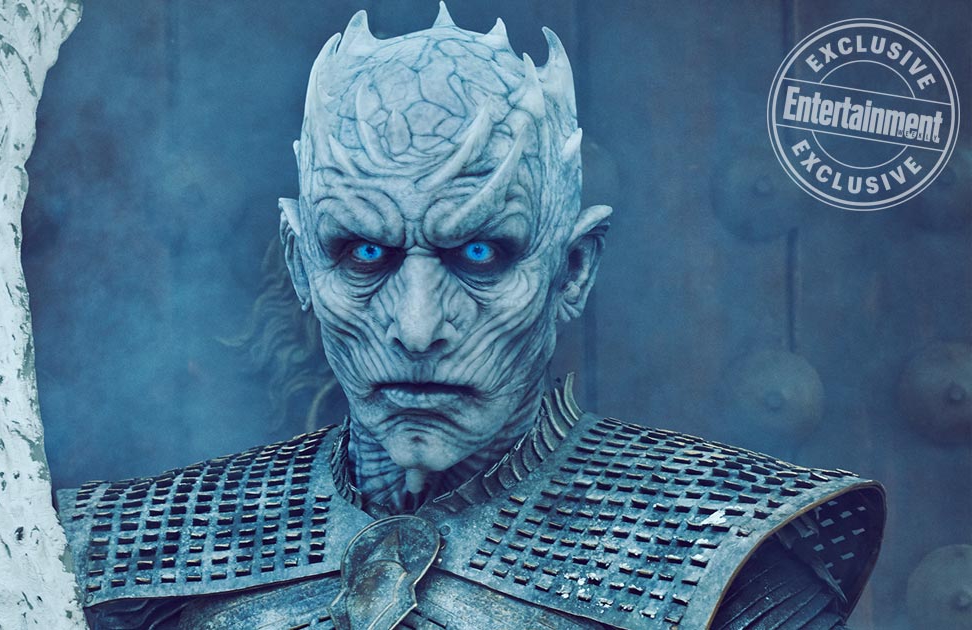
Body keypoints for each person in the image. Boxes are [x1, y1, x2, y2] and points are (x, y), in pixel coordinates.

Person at [58, 6, 884, 628]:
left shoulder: (721, 558)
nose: (417, 328)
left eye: (480, 254)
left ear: (572, 268)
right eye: (364, 253)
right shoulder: (137, 550)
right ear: (301, 260)